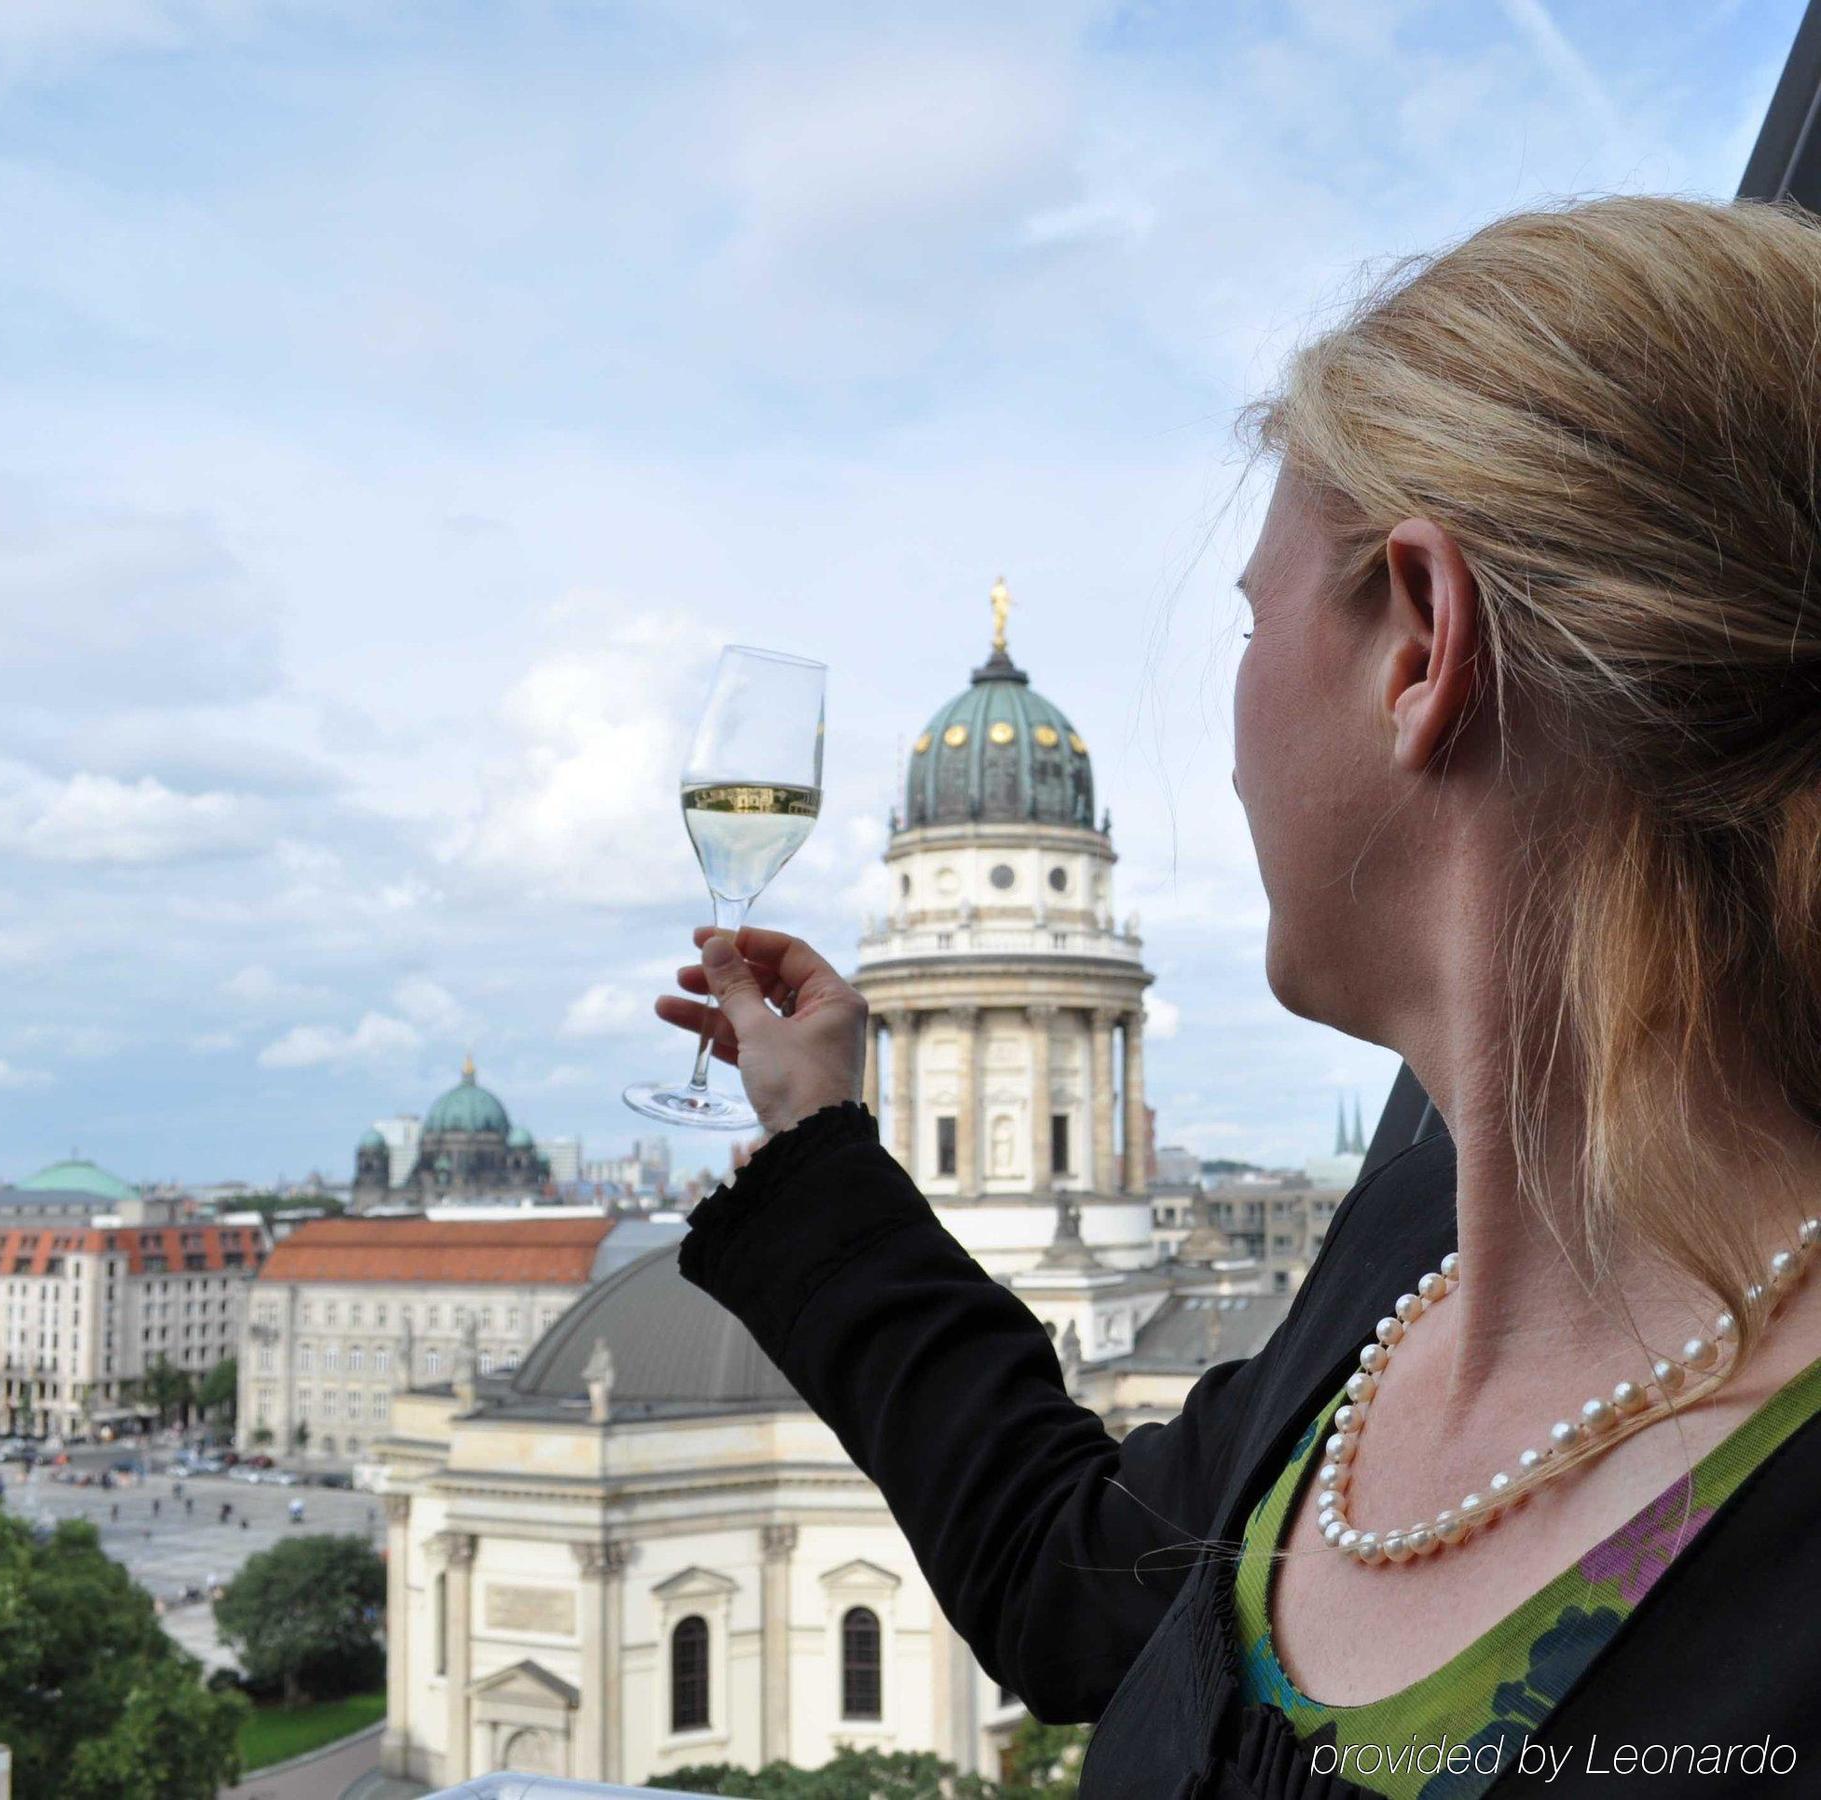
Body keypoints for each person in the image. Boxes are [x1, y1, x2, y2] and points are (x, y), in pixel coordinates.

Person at [658, 197, 1821, 1797]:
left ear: (1420, 643)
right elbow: (1078, 1584)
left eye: (1254, 618)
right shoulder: (1417, 1244)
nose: (1223, 729)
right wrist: (819, 1143)